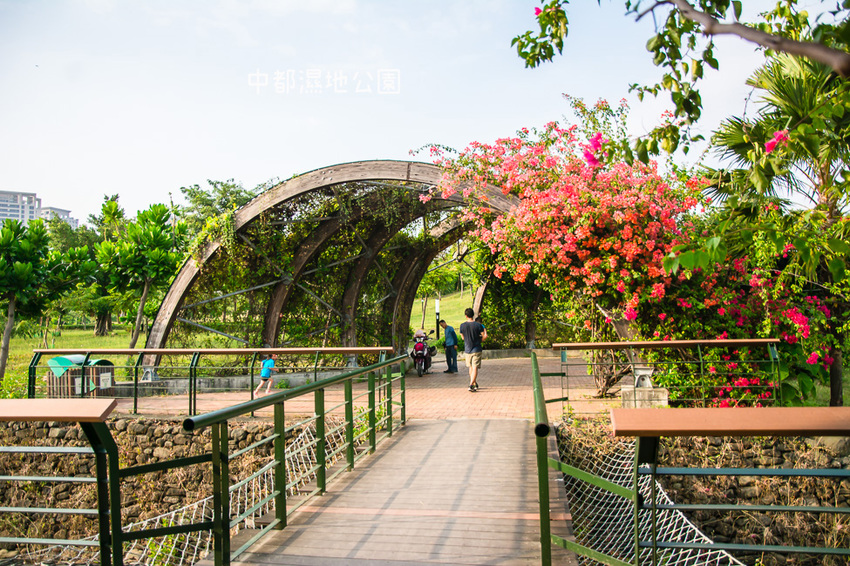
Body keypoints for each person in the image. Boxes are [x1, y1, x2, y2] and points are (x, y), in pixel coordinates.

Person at [459, 308, 487, 392]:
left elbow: (463, 338)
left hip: (467, 349)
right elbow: (484, 336)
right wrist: (480, 340)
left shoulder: (462, 326)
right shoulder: (478, 325)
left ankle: (473, 383)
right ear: (473, 315)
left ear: (466, 316)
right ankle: (472, 384)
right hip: (477, 349)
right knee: (475, 367)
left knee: (470, 367)